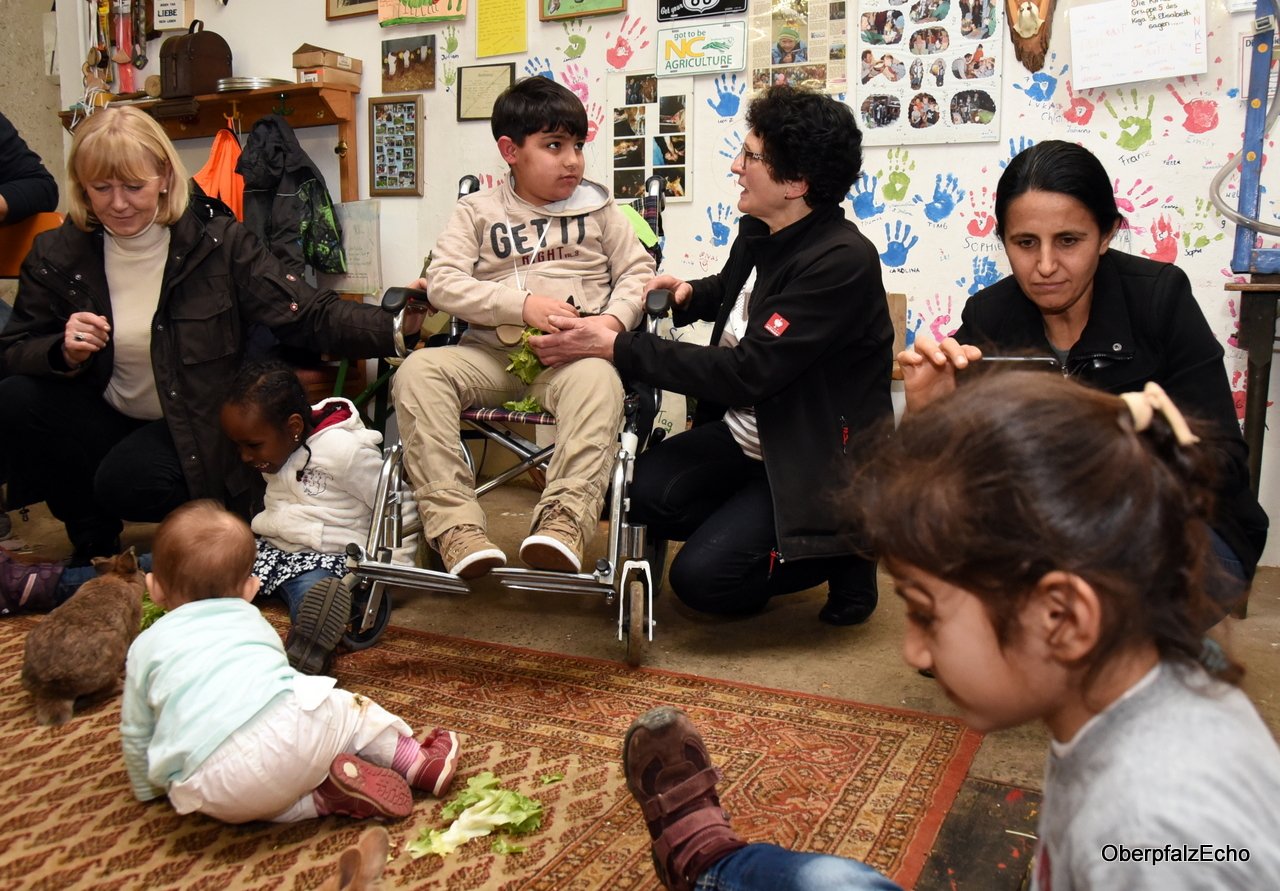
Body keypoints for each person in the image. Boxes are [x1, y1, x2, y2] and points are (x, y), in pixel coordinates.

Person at [620, 371, 1280, 891]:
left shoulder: (1157, 832)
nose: (911, 650)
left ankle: (706, 862)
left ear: (1064, 616)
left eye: (927, 612)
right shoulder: (1137, 685)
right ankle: (707, 860)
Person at [531, 85, 893, 626]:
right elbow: (735, 287)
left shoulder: (841, 261)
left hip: (811, 459)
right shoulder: (763, 228)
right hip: (748, 438)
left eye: (750, 156)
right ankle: (755, 524)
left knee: (703, 581)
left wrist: (619, 346)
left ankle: (840, 547)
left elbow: (747, 373)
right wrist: (690, 295)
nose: (735, 166)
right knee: (630, 491)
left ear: (796, 183)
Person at [0, 106, 422, 569]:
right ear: (82, 186)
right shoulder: (57, 252)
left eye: (133, 187)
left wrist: (397, 326)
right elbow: (16, 348)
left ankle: (214, 528)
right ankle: (91, 541)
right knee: (17, 399)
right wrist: (60, 350)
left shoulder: (217, 241)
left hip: (197, 424)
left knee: (127, 481)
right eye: (100, 189)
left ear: (164, 175)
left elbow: (307, 313)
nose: (117, 203)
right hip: (107, 412)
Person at [900, 141, 1269, 609]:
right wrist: (928, 415)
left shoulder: (1160, 300)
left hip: (1184, 533)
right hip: (1047, 537)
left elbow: (1223, 461)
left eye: (1069, 241)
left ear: (1107, 234)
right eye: (1025, 243)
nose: (1046, 266)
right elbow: (939, 485)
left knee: (1089, 615)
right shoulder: (989, 317)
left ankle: (1146, 650)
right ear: (1005, 241)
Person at [391, 76, 655, 578]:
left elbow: (638, 274)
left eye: (577, 146)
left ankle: (563, 525)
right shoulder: (477, 211)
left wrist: (609, 323)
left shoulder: (600, 209)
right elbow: (442, 282)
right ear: (510, 150)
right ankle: (455, 529)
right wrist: (522, 304)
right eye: (554, 146)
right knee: (418, 373)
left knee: (602, 382)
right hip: (487, 355)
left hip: (573, 358)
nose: (572, 160)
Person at [121, 500, 462, 824]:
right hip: (292, 738)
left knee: (250, 799)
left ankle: (321, 801)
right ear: (250, 589)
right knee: (345, 708)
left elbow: (136, 730)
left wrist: (146, 790)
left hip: (210, 788)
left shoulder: (144, 646)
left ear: (154, 588)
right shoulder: (252, 622)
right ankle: (416, 762)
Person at [220, 361, 418, 675]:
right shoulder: (278, 446)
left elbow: (398, 499)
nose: (245, 456)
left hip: (328, 557)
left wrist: (394, 570)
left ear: (294, 427)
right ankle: (137, 570)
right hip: (274, 547)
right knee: (212, 558)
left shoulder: (344, 452)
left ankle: (311, 646)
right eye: (239, 446)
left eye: (253, 446)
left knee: (314, 597)